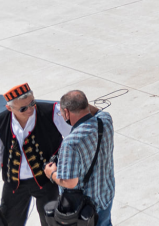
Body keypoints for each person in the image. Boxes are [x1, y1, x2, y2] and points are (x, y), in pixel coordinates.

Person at [0, 83, 71, 226]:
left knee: (51, 221)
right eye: (23, 108)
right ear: (9, 108)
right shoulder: (1, 122)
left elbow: (73, 138)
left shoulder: (52, 112)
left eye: (32, 103)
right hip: (15, 182)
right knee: (8, 221)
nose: (30, 109)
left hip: (45, 179)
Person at [44, 90, 115, 226]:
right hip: (106, 194)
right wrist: (80, 102)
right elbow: (95, 111)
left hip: (86, 208)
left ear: (67, 112)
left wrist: (51, 173)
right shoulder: (105, 120)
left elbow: (70, 182)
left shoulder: (71, 143)